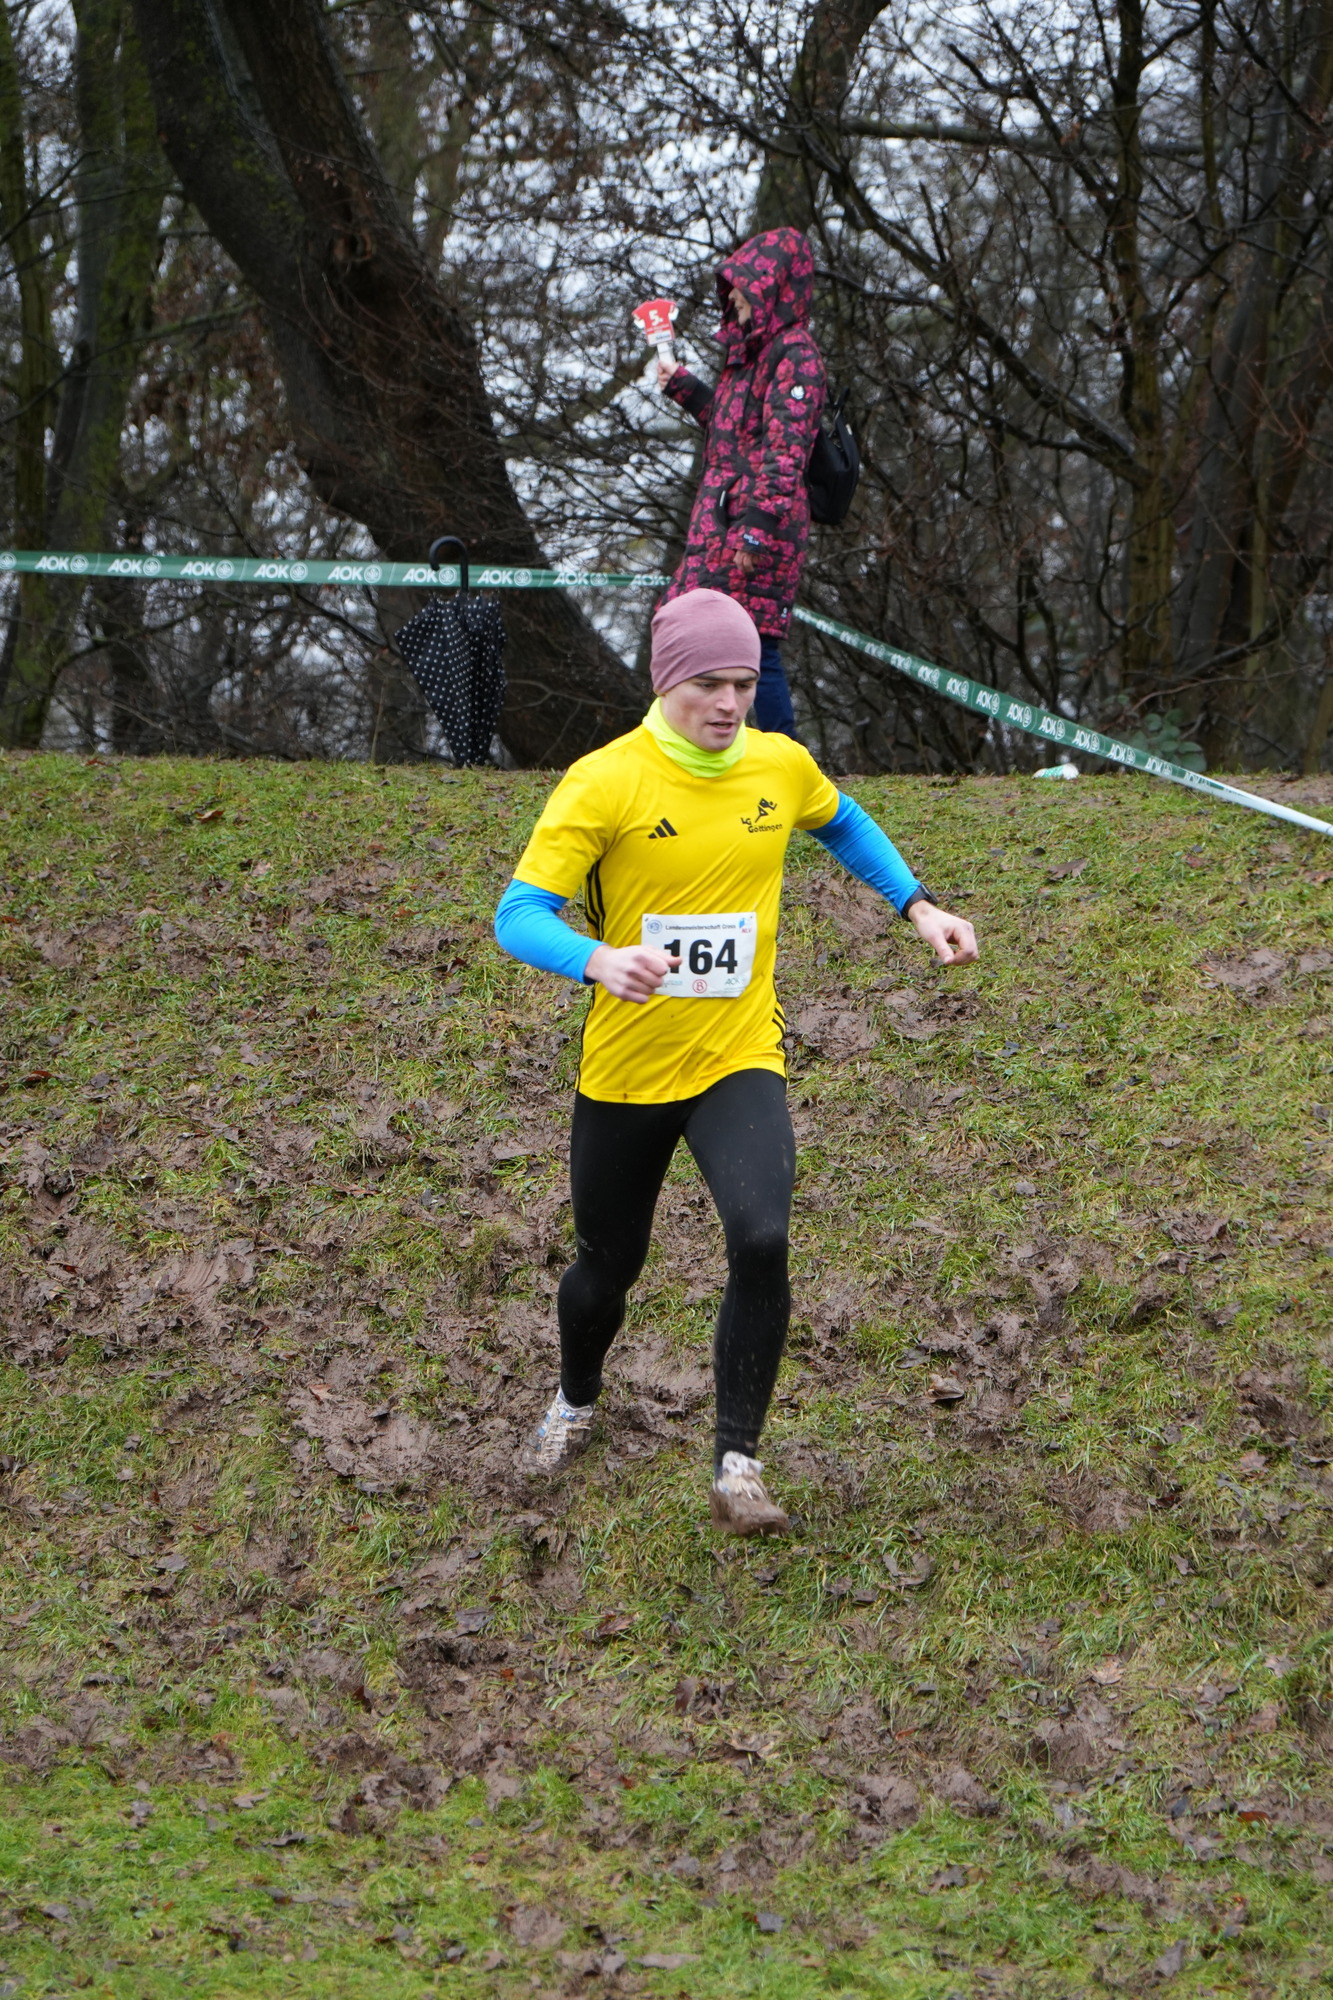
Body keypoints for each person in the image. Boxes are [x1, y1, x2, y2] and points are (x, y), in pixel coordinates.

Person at [493, 589, 978, 1535]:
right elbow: (518, 916)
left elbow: (840, 820)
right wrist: (596, 959)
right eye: (709, 684)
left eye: (745, 684)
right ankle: (576, 1397)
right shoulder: (604, 782)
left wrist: (917, 904)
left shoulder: (776, 764)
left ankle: (737, 1464)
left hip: (737, 1053)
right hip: (628, 1069)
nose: (728, 704)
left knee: (761, 1239)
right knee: (606, 1267)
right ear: (666, 681)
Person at [657, 227, 825, 740]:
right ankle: (696, 750)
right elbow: (735, 434)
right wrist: (686, 389)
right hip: (720, 523)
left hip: (758, 524)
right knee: (689, 629)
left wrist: (756, 528)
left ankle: (783, 759)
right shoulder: (748, 356)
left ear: (772, 288)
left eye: (743, 286)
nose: (732, 297)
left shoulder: (795, 355)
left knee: (755, 645)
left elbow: (786, 449)